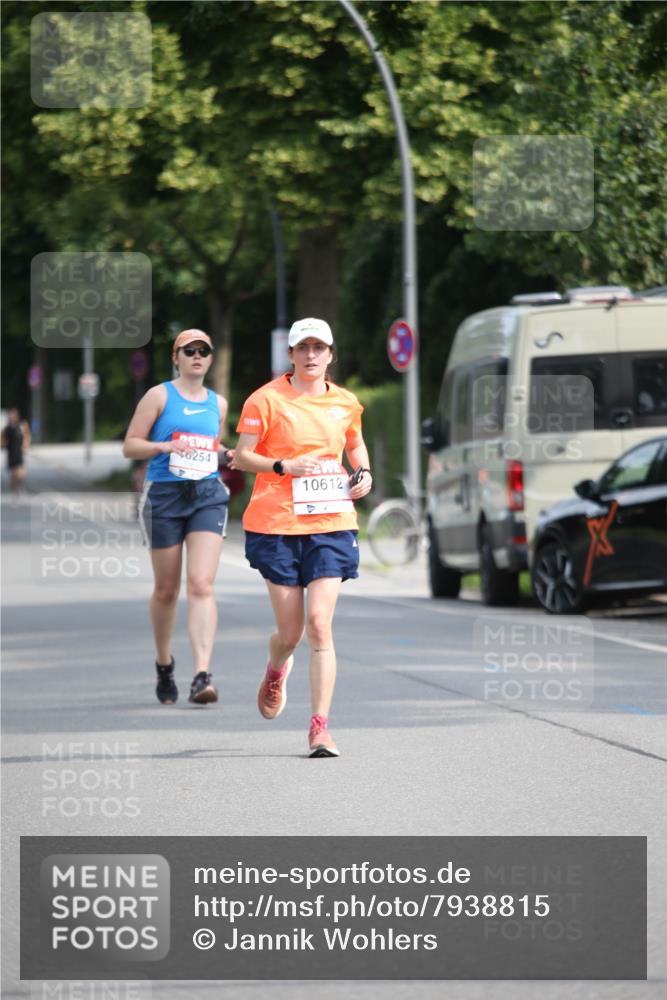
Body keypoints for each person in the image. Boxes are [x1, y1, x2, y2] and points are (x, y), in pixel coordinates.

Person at [233, 318, 373, 757]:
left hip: (331, 522)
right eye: (303, 348)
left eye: (319, 347)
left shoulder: (347, 403)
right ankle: (277, 667)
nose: (311, 355)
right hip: (277, 524)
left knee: (319, 623)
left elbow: (355, 446)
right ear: (291, 354)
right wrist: (282, 467)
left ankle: (320, 728)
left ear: (331, 354)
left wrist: (364, 473)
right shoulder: (265, 399)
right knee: (290, 633)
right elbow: (241, 456)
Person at [123, 329, 231, 706]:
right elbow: (130, 444)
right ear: (176, 357)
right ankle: (164, 663)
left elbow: (212, 447)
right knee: (167, 589)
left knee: (201, 584)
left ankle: (202, 675)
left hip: (206, 495)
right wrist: (164, 446)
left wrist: (226, 454)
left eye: (204, 350)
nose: (197, 356)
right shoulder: (159, 396)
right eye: (190, 350)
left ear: (211, 357)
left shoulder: (218, 404)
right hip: (165, 495)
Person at [2, 407, 31, 500]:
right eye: (10, 415)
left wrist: (25, 445)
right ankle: (14, 491)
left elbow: (27, 435)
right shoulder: (7, 428)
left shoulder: (22, 425)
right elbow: (2, 439)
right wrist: (3, 444)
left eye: (13, 415)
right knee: (13, 473)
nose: (11, 417)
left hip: (19, 451)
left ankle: (20, 487)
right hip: (11, 452)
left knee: (21, 472)